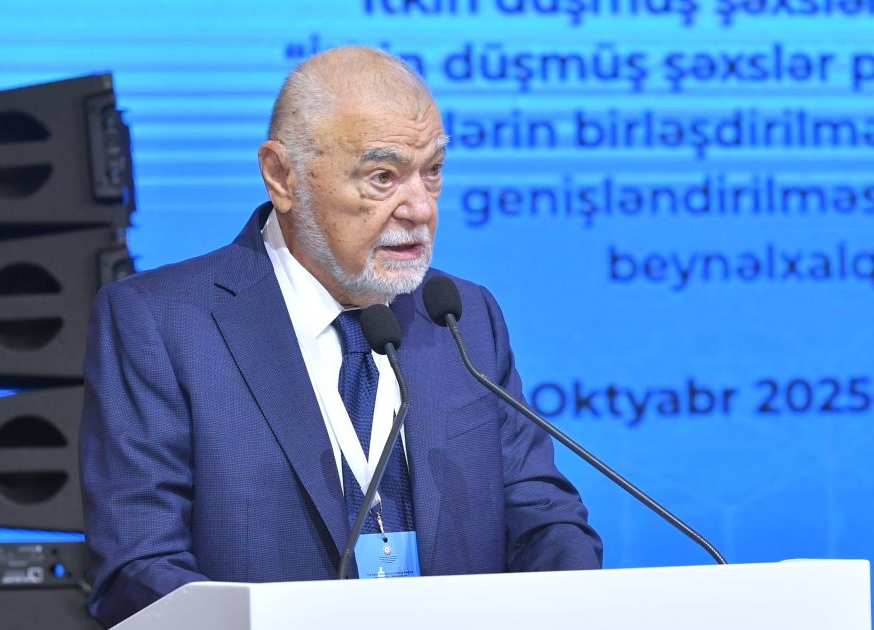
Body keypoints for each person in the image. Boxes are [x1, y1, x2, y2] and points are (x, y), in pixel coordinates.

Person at [79, 46, 602, 629]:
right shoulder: (163, 322)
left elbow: (543, 518)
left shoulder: (463, 317)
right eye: (383, 177)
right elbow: (140, 566)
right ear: (282, 176)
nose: (420, 208)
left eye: (432, 171)